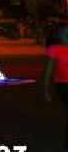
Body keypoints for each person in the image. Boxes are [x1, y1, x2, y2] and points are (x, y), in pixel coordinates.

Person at [42, 23, 68, 152]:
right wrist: (45, 89)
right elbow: (47, 71)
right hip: (64, 86)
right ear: (58, 36)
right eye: (64, 34)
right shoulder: (54, 49)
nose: (67, 36)